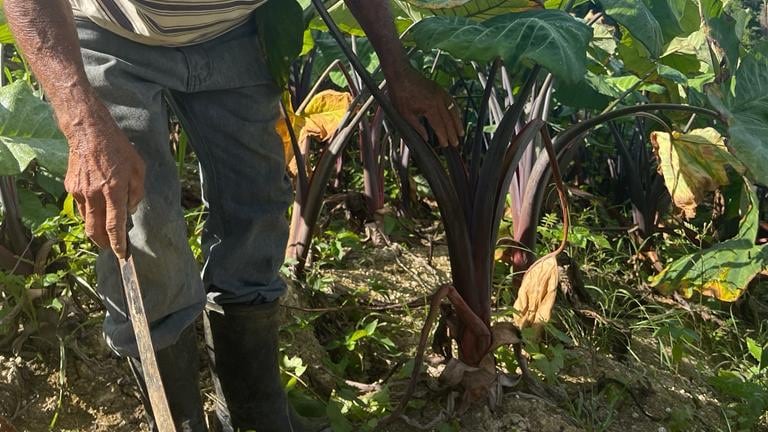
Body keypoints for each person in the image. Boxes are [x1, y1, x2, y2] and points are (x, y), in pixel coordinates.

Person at [4, 0, 462, 430]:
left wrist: (398, 69)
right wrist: (82, 123)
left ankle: (254, 412)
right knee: (144, 233)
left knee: (258, 209)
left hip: (232, 34)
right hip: (109, 33)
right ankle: (179, 420)